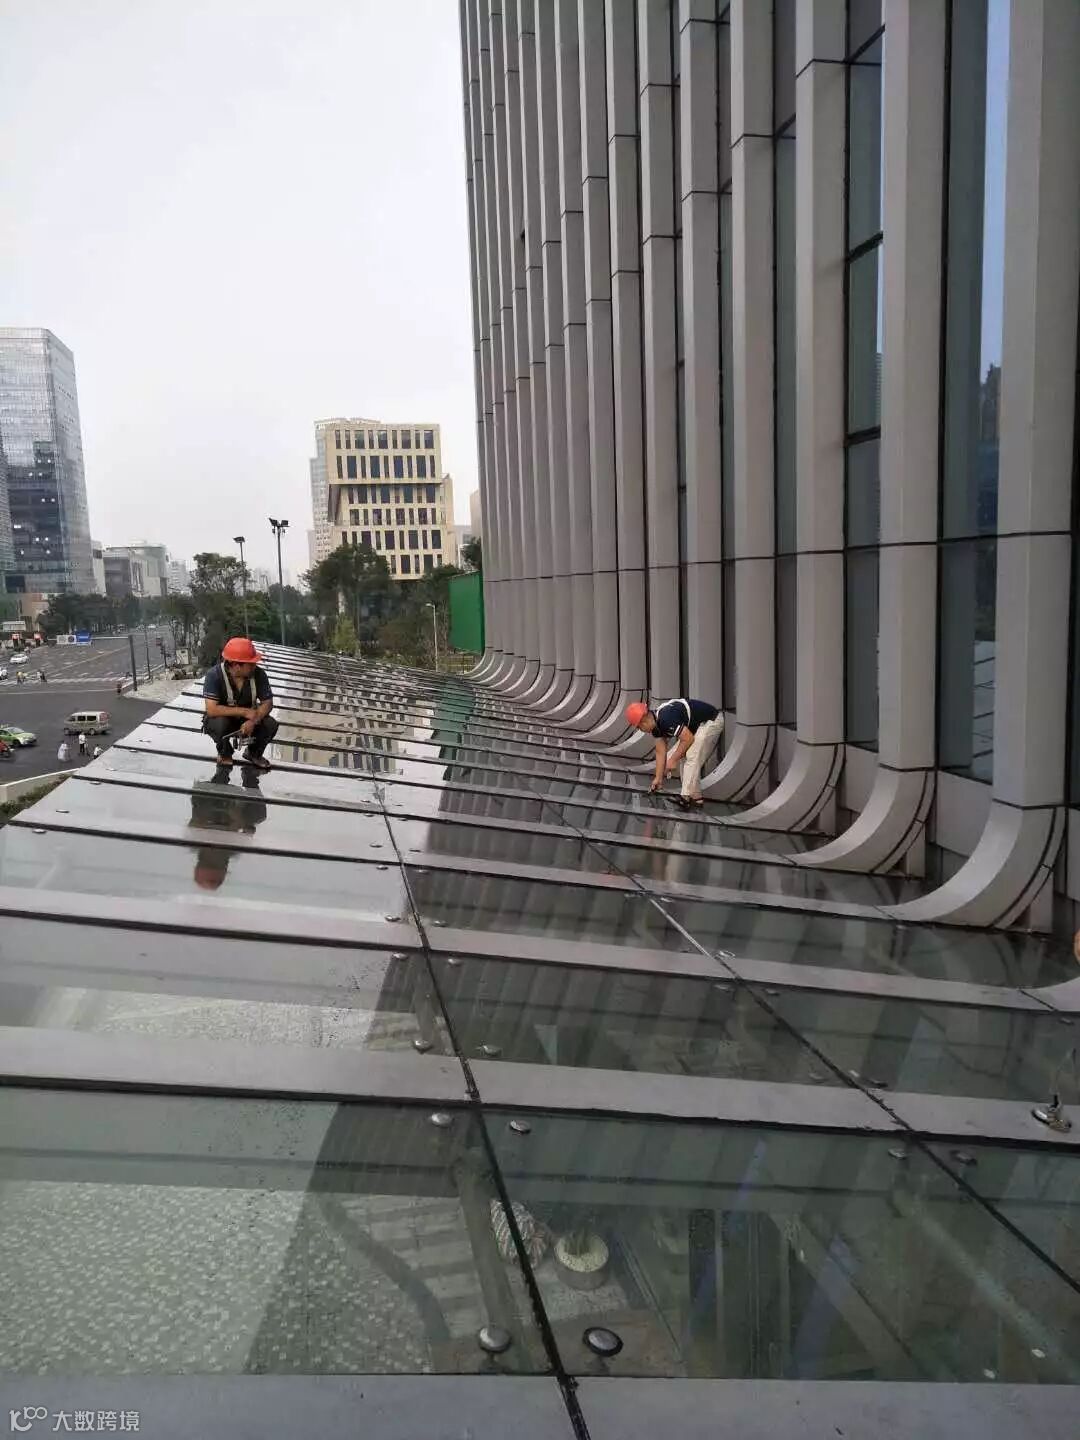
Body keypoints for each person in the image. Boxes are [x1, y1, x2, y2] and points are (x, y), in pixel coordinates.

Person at [626, 698, 724, 809]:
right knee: (681, 753)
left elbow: (688, 739)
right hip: (695, 727)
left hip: (710, 721)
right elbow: (660, 752)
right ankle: (695, 797)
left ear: (643, 721)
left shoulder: (666, 718)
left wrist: (673, 760)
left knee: (691, 755)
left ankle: (685, 797)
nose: (641, 730)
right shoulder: (656, 725)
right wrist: (658, 778)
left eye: (639, 727)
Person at [202, 636, 278, 770]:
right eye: (251, 664)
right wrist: (244, 711)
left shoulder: (259, 675)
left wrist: (253, 720)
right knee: (219, 725)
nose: (254, 666)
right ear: (237, 666)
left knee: (270, 724)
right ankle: (225, 753)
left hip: (249, 719)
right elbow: (212, 709)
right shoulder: (214, 675)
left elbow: (267, 703)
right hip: (224, 718)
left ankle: (253, 753)